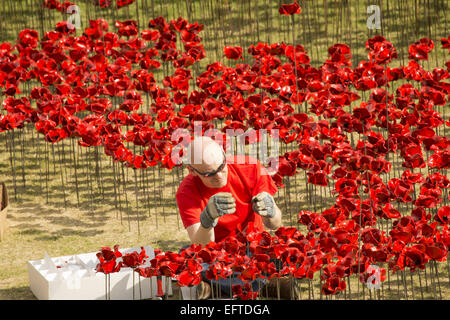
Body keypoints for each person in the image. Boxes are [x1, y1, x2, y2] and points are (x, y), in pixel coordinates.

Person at [175, 136, 291, 299]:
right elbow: (200, 246)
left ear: (224, 153)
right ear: (192, 170)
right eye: (210, 174)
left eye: (222, 167)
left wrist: (271, 212)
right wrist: (207, 219)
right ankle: (265, 285)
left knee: (287, 250)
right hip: (217, 254)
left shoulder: (251, 167)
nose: (219, 176)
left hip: (253, 247)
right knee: (188, 258)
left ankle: (213, 289)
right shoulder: (187, 191)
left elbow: (274, 224)